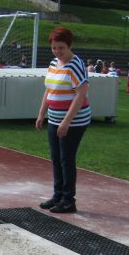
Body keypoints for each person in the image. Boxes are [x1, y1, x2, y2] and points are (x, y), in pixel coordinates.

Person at [36, 26, 91, 214]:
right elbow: (49, 89)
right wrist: (41, 113)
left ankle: (69, 200)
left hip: (74, 121)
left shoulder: (75, 64)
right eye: (54, 48)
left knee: (66, 158)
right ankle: (58, 195)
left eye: (61, 48)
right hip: (54, 117)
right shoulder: (54, 63)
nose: (58, 52)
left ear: (69, 46)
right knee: (55, 158)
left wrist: (67, 121)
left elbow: (81, 94)